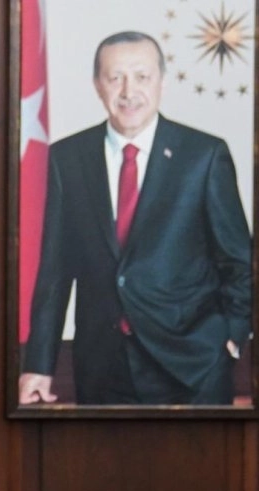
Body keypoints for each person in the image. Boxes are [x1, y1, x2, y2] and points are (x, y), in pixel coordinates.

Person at [20, 31, 252, 406]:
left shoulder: (204, 156)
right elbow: (55, 273)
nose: (129, 91)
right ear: (98, 85)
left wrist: (232, 335)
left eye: (142, 77)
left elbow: (239, 260)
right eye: (115, 78)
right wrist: (39, 365)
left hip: (193, 366)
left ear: (162, 81)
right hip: (102, 367)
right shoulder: (67, 159)